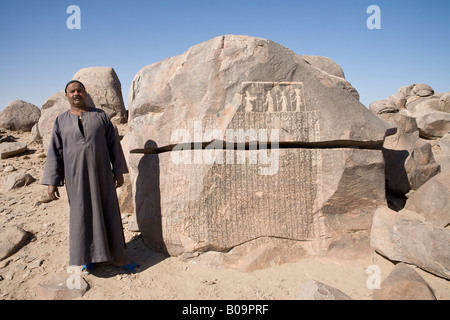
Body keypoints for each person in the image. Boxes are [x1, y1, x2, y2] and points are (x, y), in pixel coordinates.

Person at [42, 80, 139, 274]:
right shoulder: (60, 121)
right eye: (72, 91)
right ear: (67, 96)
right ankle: (89, 258)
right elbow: (55, 152)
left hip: (102, 175)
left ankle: (118, 257)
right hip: (76, 179)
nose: (76, 93)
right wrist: (53, 181)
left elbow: (114, 145)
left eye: (79, 90)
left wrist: (118, 170)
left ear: (85, 93)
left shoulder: (100, 116)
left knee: (109, 212)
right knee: (82, 216)